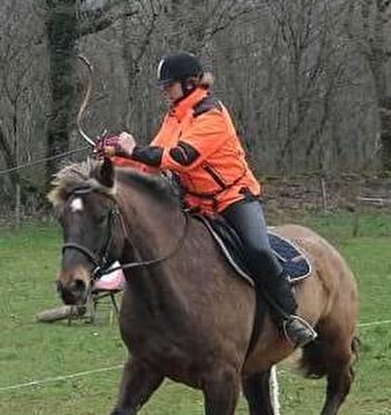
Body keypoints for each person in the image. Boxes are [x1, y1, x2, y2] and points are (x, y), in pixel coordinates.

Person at [96, 51, 318, 347]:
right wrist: (116, 158)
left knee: (257, 249)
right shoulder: (175, 115)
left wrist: (132, 148)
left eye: (169, 84)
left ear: (189, 84)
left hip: (232, 199)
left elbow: (181, 157)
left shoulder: (210, 114)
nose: (164, 90)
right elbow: (151, 164)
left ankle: (289, 317)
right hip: (194, 203)